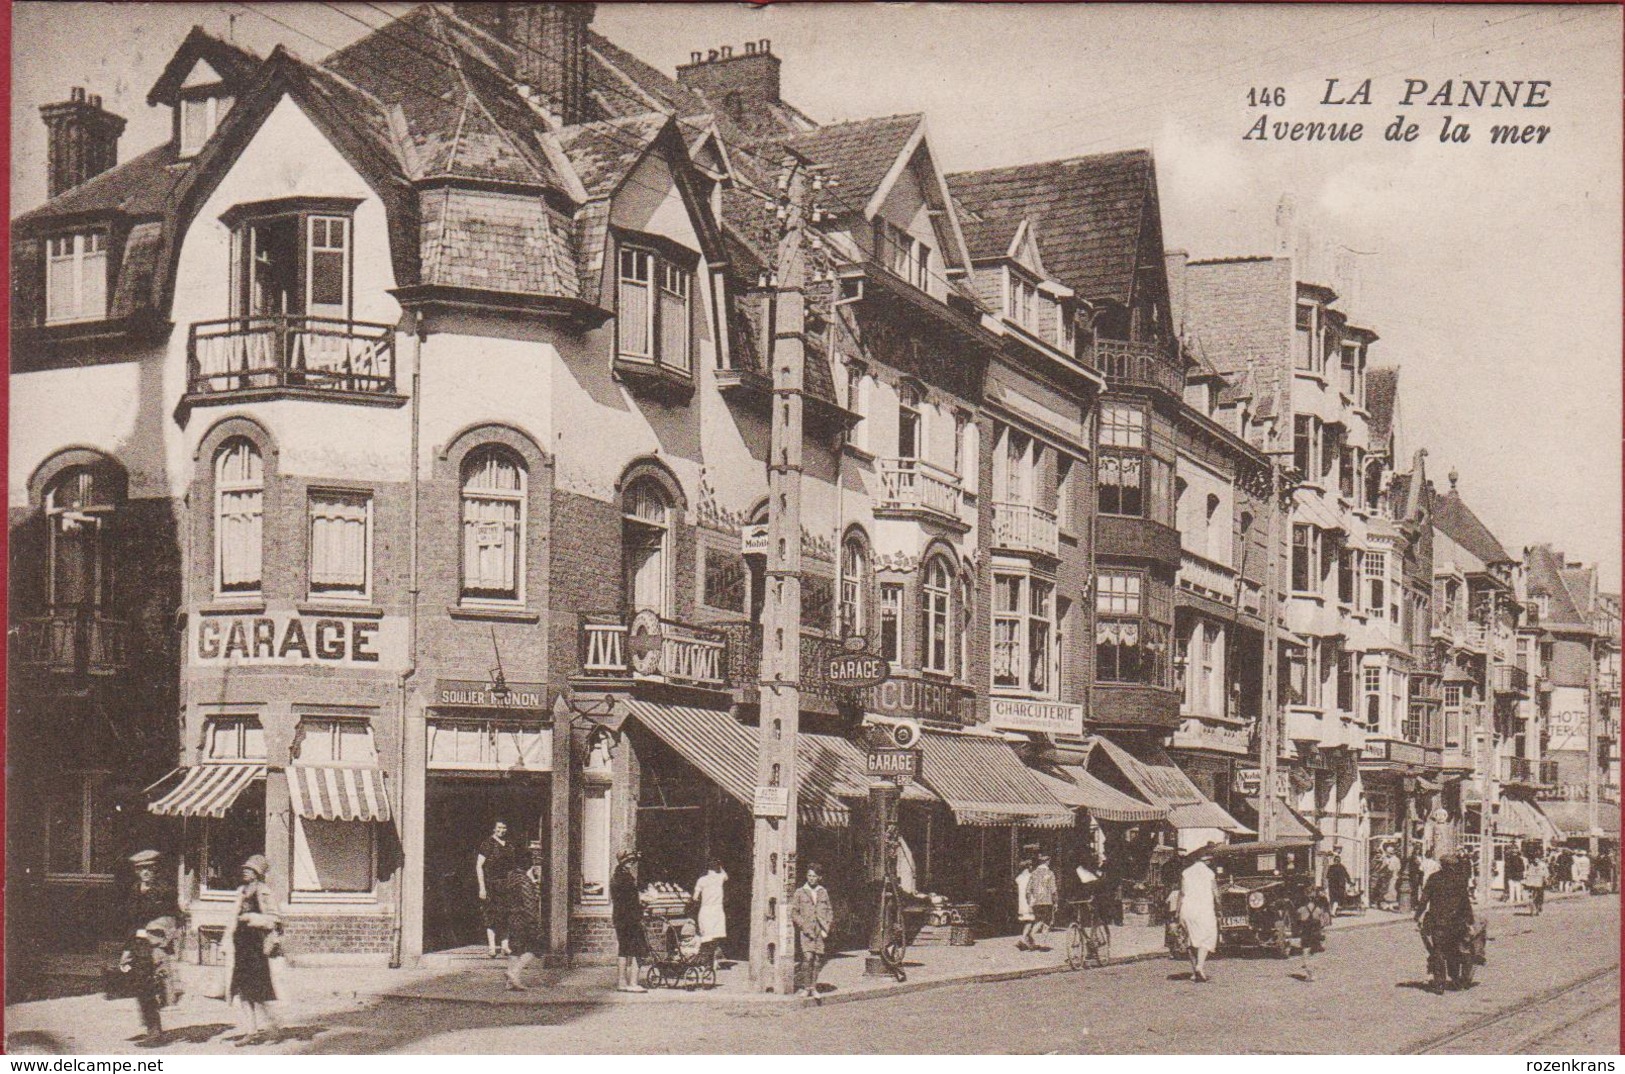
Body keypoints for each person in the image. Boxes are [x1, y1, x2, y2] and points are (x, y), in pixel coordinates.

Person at [121, 850, 178, 1044]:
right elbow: (130, 922)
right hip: (138, 945)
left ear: (155, 870)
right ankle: (150, 1027)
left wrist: (162, 935)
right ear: (137, 871)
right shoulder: (134, 890)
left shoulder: (164, 891)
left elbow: (174, 918)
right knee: (140, 986)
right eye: (142, 869)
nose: (146, 872)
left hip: (155, 947)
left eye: (149, 869)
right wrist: (127, 950)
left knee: (154, 986)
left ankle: (155, 1031)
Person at [226, 854, 280, 1042]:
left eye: (250, 869)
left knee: (257, 990)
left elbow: (274, 919)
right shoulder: (241, 891)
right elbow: (233, 917)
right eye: (245, 869)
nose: (245, 871)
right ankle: (252, 1031)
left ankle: (274, 1025)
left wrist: (254, 919)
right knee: (242, 990)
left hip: (256, 946)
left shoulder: (264, 892)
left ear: (258, 873)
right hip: (240, 945)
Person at [1415, 852, 1476, 992]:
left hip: (1438, 922)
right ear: (1454, 866)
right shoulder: (1460, 879)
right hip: (1456, 922)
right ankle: (1454, 979)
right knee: (1453, 950)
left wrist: (1418, 915)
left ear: (1442, 865)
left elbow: (1424, 898)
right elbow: (1465, 902)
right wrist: (1470, 920)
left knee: (1438, 951)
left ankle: (1439, 983)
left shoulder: (1434, 878)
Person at [503, 841, 547, 991]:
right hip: (524, 919)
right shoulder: (525, 881)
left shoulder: (511, 877)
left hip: (512, 917)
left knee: (516, 948)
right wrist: (535, 924)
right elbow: (529, 904)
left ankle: (510, 982)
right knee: (537, 947)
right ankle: (513, 973)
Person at [1175, 844, 1221, 983]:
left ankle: (1195, 970)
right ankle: (1199, 967)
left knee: (1190, 939)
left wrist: (1177, 912)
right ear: (1206, 861)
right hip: (1204, 910)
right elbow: (1216, 894)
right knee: (1207, 937)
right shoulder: (1209, 873)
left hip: (1187, 909)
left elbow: (1182, 893)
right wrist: (1219, 908)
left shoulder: (1186, 872)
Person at [790, 863, 834, 997]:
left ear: (819, 877)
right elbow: (794, 912)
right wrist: (803, 925)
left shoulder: (823, 892)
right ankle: (806, 987)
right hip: (807, 931)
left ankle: (813, 987)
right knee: (807, 957)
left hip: (819, 930)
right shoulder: (800, 892)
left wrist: (827, 925)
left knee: (817, 960)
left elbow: (829, 910)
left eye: (814, 876)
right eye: (809, 875)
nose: (811, 878)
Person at [476, 820, 518, 959]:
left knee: (506, 914)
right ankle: (492, 947)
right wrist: (482, 887)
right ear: (494, 829)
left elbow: (513, 867)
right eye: (499, 827)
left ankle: (505, 946)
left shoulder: (509, 846)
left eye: (504, 827)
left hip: (506, 885)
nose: (502, 830)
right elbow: (479, 866)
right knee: (491, 915)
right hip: (491, 884)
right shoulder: (487, 844)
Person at [609, 849, 649, 993]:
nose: (631, 863)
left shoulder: (615, 877)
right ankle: (633, 983)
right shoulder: (627, 879)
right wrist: (643, 904)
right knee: (639, 949)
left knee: (624, 949)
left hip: (619, 918)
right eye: (629, 861)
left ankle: (621, 982)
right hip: (631, 918)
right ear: (624, 863)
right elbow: (631, 902)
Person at [692, 857, 728, 966]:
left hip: (706, 910)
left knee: (706, 937)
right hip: (717, 910)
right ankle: (714, 961)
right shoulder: (720, 877)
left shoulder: (702, 880)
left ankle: (705, 961)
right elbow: (726, 876)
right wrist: (720, 867)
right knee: (715, 936)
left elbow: (695, 897)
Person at [1295, 885, 1332, 982]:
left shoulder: (1301, 909)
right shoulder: (1318, 909)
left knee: (1305, 952)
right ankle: (1313, 973)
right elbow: (1323, 922)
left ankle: (1308, 973)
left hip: (1306, 932)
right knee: (1314, 953)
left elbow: (1298, 920)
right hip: (1315, 932)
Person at [1022, 852, 1058, 951]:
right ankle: (1042, 943)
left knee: (1038, 920)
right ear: (1047, 862)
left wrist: (1030, 901)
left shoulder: (1034, 873)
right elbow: (1053, 890)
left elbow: (1028, 890)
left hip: (1036, 902)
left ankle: (1032, 937)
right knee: (1046, 923)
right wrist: (1056, 902)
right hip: (1047, 901)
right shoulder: (1050, 873)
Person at [1013, 855, 1035, 950]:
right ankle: (1023, 938)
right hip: (1029, 901)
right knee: (1030, 921)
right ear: (1028, 866)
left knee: (1027, 921)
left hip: (1021, 902)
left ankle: (1030, 943)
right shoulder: (1031, 877)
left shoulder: (1019, 878)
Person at [1523, 850, 1549, 915]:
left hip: (1540, 882)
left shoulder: (1543, 865)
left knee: (1540, 895)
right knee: (1532, 895)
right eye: (1535, 859)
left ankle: (1539, 905)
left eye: (1537, 859)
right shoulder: (1531, 865)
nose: (1536, 861)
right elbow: (1528, 873)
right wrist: (1526, 878)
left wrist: (1545, 878)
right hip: (1532, 882)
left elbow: (1546, 873)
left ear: (1539, 859)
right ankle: (1532, 908)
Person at [1381, 845, 1403, 910]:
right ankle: (1388, 905)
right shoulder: (1393, 859)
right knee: (1389, 890)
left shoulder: (1394, 859)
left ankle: (1390, 905)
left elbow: (1390, 869)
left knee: (1390, 890)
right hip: (1392, 876)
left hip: (1392, 877)